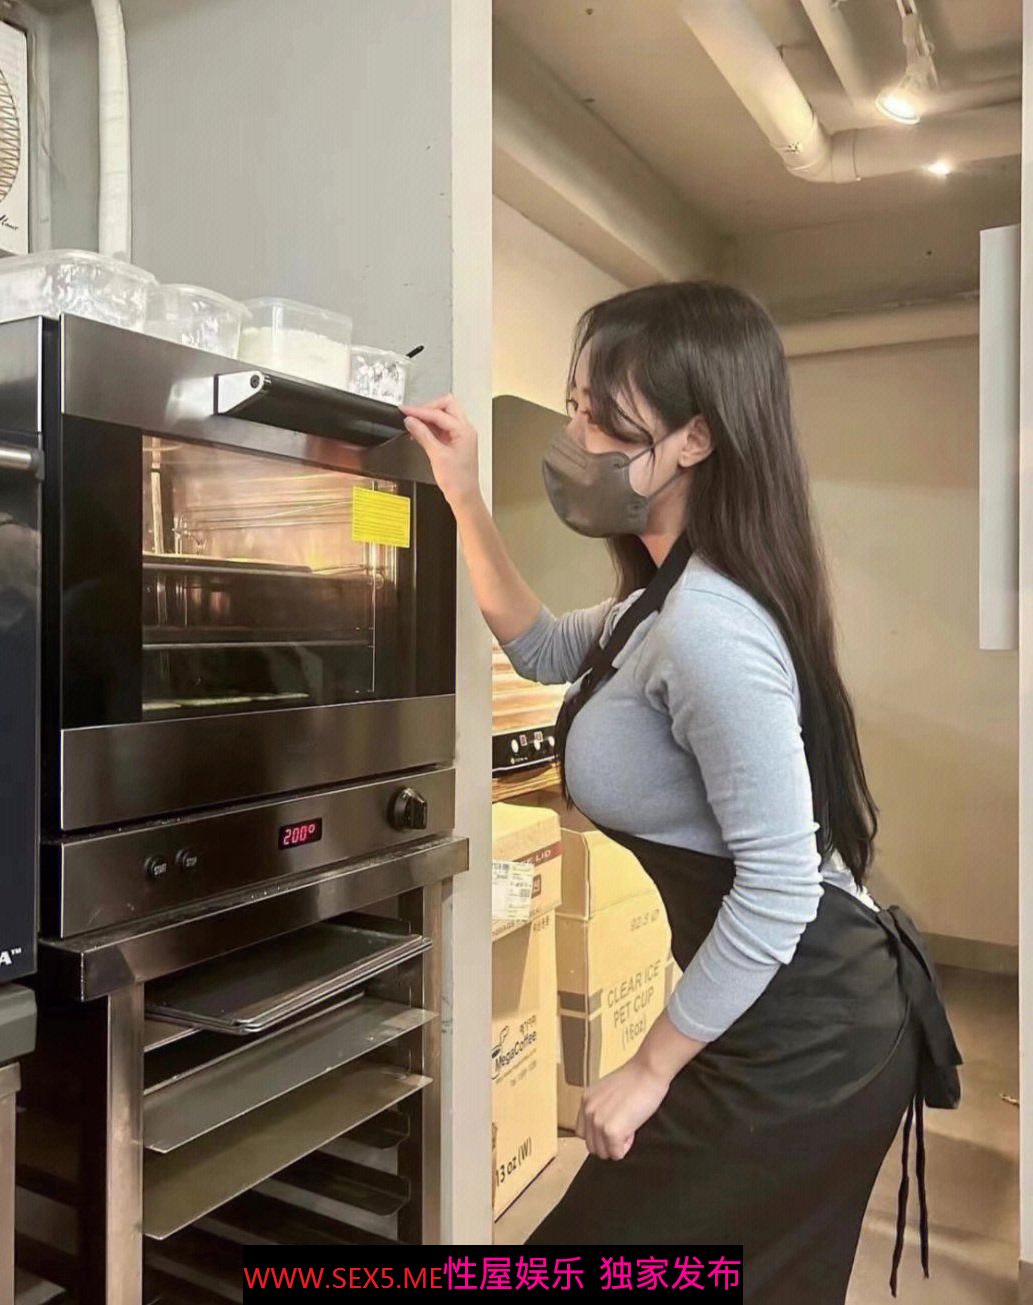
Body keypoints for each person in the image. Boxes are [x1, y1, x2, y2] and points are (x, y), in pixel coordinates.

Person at [402, 281, 962, 1302]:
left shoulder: (710, 625)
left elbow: (780, 888)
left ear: (694, 437)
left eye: (597, 415)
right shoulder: (654, 605)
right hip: (773, 1010)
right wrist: (463, 495)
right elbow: (540, 644)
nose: (573, 437)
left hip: (812, 1030)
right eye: (573, 405)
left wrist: (651, 1066)